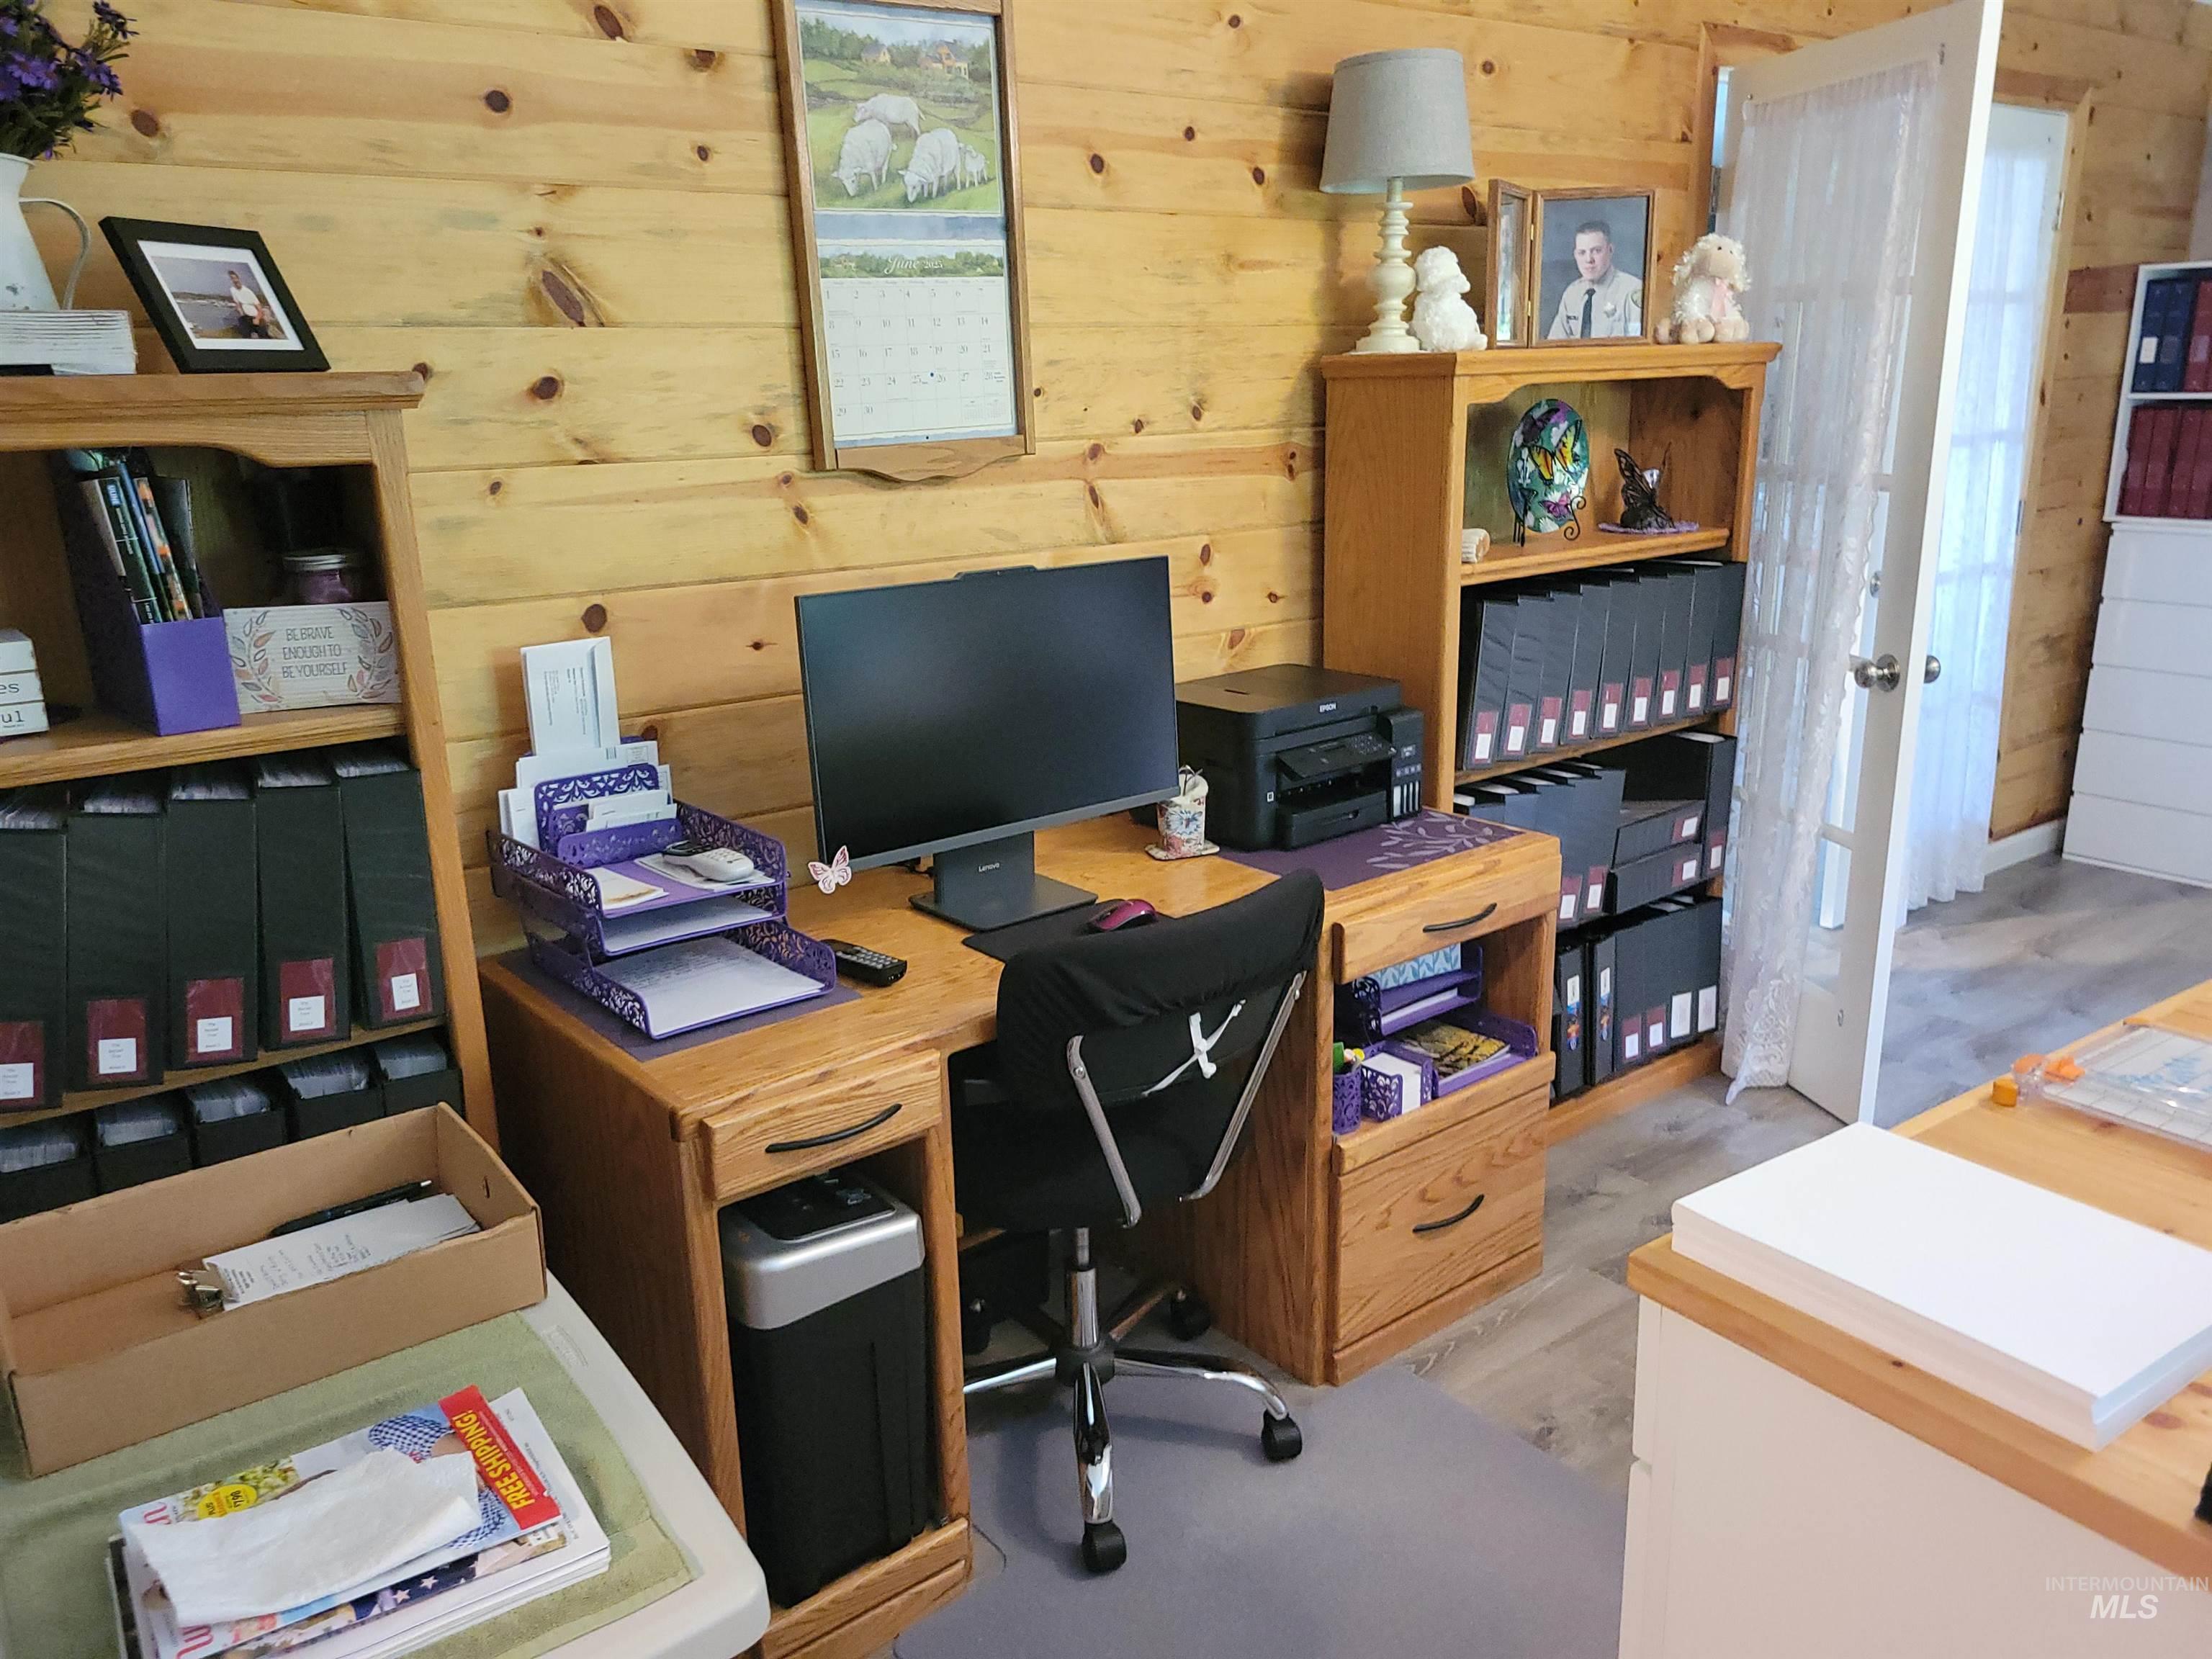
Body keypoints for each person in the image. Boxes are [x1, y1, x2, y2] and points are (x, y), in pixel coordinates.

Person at [1547, 219, 1642, 340]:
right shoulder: (1571, 294)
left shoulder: (1632, 290)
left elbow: (1638, 350)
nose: (1589, 259)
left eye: (1596, 251)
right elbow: (1554, 345)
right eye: (1582, 253)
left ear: (1610, 250)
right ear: (1575, 255)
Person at [228, 269, 273, 338]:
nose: (234, 281)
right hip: (246, 317)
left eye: (235, 278)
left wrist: (257, 319)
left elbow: (260, 309)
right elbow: (238, 304)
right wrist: (242, 314)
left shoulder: (248, 292)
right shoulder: (232, 290)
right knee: (245, 335)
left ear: (238, 278)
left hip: (256, 317)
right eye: (232, 279)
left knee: (264, 336)